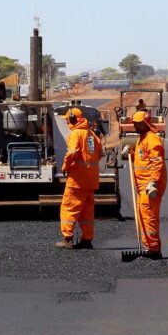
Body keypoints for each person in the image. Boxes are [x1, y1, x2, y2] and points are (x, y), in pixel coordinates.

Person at [56, 107, 103, 250]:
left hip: (77, 179)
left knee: (69, 207)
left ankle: (68, 239)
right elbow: (100, 153)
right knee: (86, 211)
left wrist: (65, 167)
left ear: (71, 119)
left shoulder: (76, 134)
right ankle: (87, 240)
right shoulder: (91, 134)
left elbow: (72, 152)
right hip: (91, 180)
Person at [130, 110, 166, 258]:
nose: (135, 126)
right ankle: (148, 247)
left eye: (138, 124)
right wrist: (131, 154)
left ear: (145, 123)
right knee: (143, 215)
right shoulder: (142, 139)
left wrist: (153, 182)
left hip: (150, 185)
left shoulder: (152, 139)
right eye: (134, 124)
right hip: (142, 186)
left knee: (149, 216)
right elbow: (142, 159)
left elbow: (157, 163)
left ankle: (154, 249)